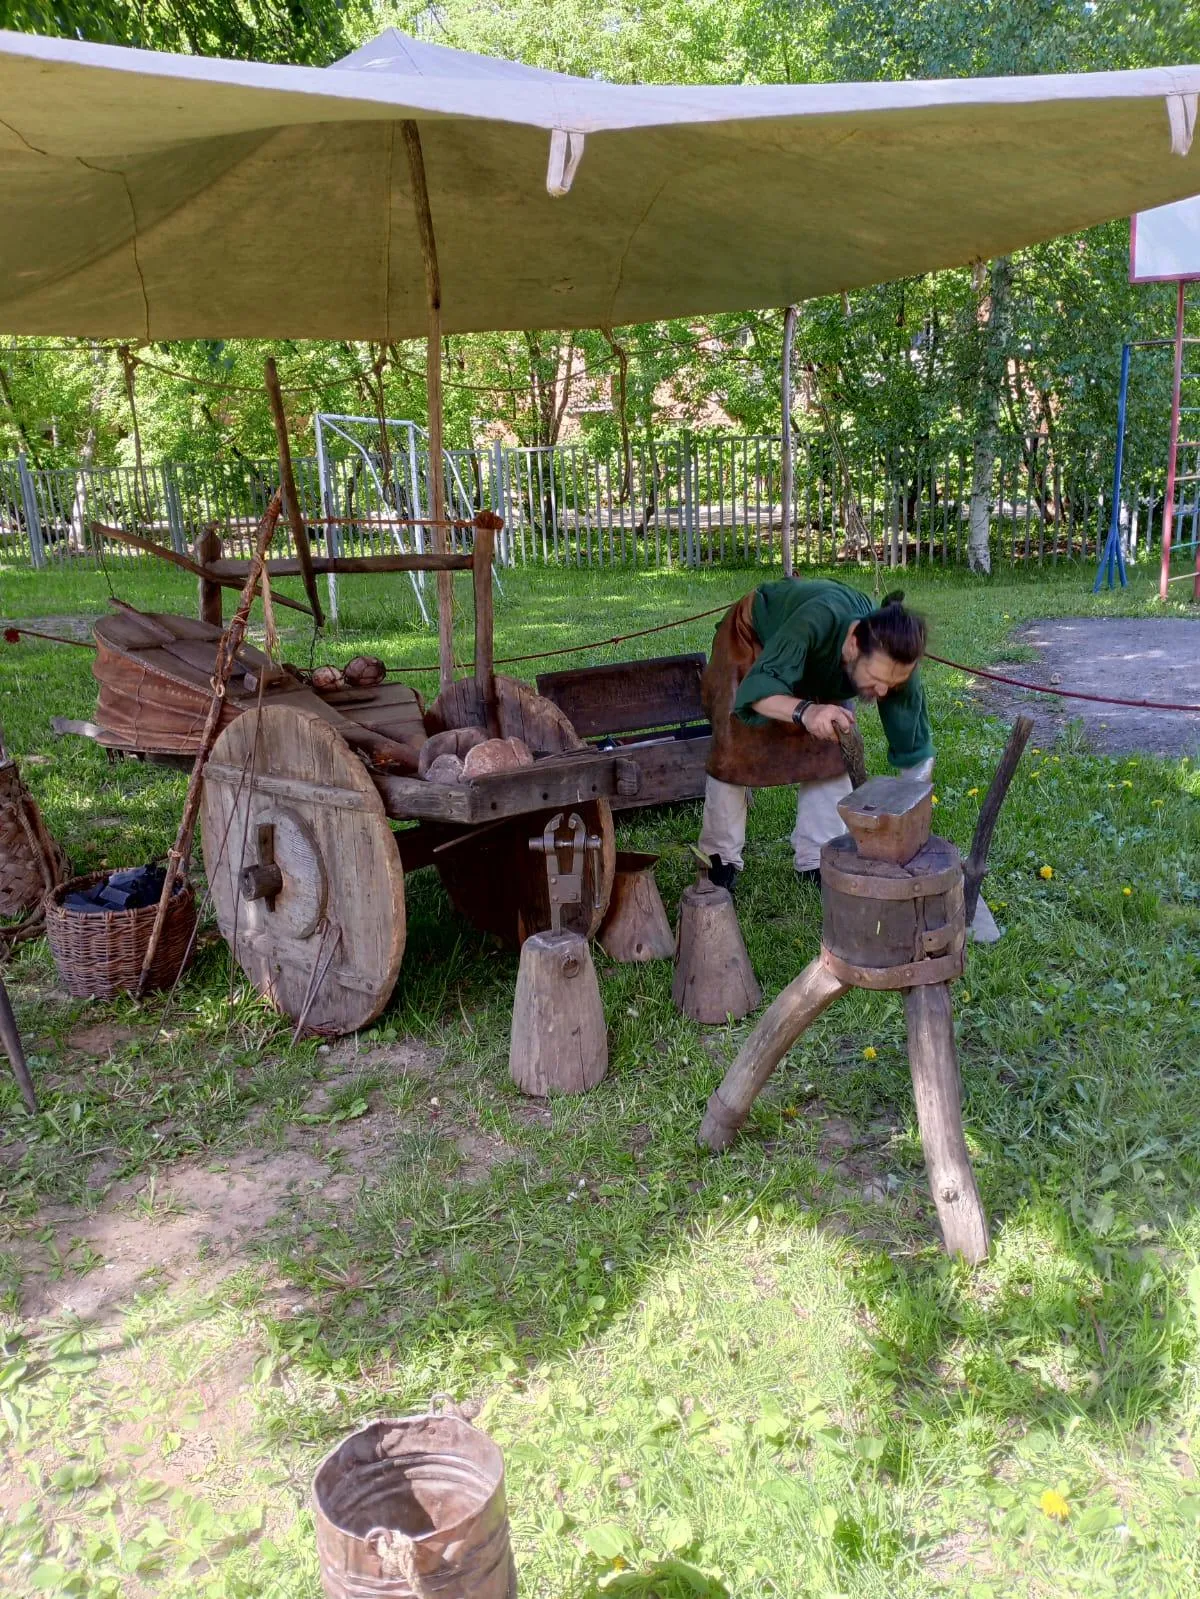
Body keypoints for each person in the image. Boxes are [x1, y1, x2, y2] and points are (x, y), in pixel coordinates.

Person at [698, 579, 934, 890]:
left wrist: (911, 816)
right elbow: (755, 692)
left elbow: (914, 748)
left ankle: (818, 857)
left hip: (821, 660)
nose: (882, 691)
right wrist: (806, 712)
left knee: (830, 753)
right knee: (736, 750)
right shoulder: (812, 622)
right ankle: (719, 859)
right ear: (852, 645)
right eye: (876, 679)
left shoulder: (893, 655)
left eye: (893, 684)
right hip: (753, 638)